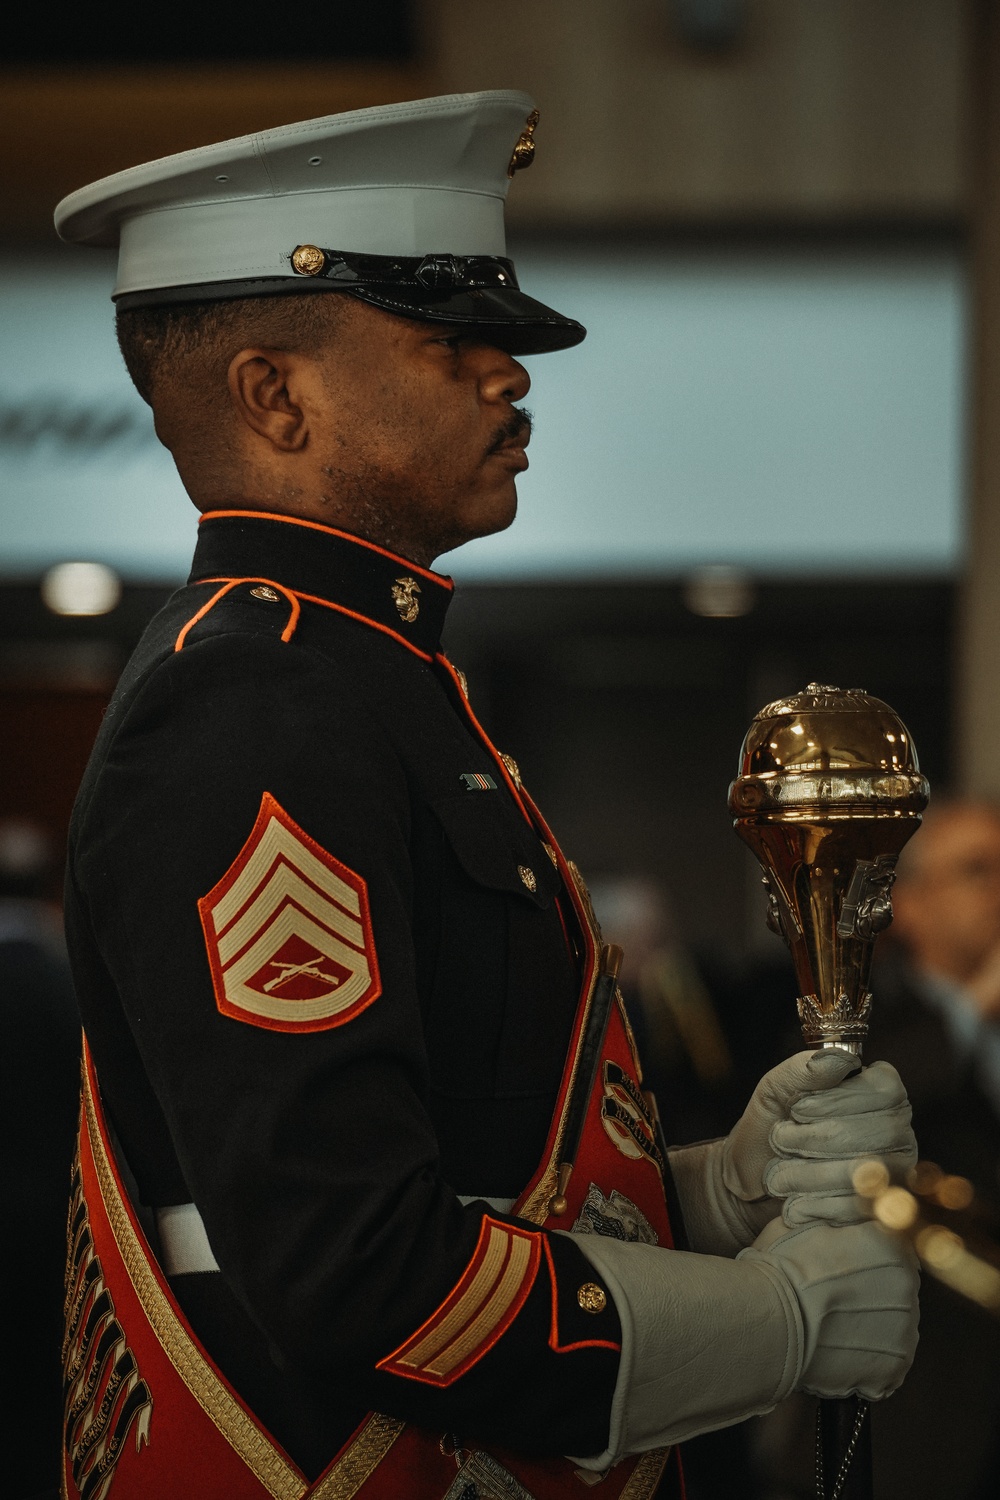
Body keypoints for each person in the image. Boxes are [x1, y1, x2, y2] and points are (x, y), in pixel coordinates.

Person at [54, 92, 920, 1499]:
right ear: (274, 395)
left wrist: (710, 1191)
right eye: (448, 342)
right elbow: (357, 1274)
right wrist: (780, 1325)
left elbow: (480, 1175)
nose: (507, 378)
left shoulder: (361, 677)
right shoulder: (257, 700)